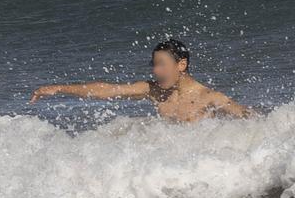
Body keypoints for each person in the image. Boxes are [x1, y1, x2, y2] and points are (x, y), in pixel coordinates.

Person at [30, 39, 253, 122]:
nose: (156, 71)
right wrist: (60, 88)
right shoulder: (153, 90)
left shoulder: (208, 97)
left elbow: (249, 119)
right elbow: (107, 90)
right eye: (154, 64)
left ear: (181, 65)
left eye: (162, 64)